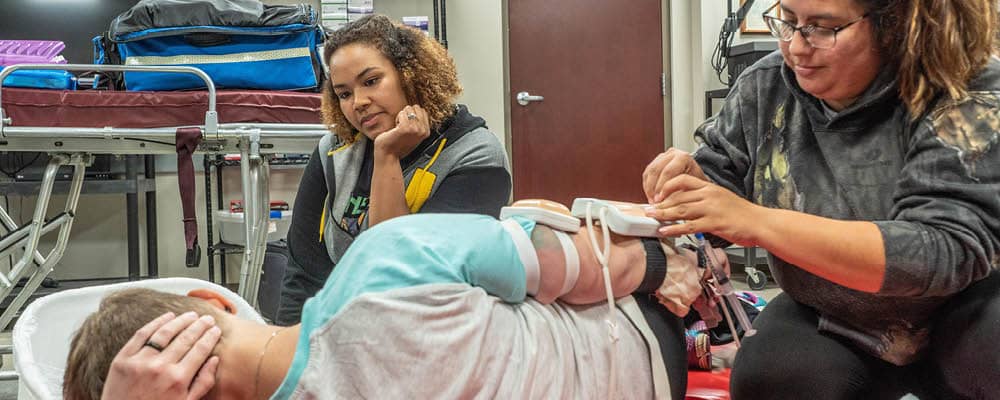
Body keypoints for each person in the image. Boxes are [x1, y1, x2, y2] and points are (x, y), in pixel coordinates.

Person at [642, 0, 1000, 398]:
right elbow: (724, 184)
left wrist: (757, 221)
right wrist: (695, 186)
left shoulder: (967, 89)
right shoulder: (766, 87)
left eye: (822, 27)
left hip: (963, 307)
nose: (796, 46)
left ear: (892, 25)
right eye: (788, 21)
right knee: (770, 377)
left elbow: (939, 253)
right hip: (830, 310)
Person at [65, 210, 723, 399]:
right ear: (216, 300)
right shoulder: (390, 258)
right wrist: (666, 265)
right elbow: (580, 264)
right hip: (639, 341)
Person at [276, 14, 511, 325]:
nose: (358, 102)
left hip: (432, 334)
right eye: (344, 93)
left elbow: (398, 279)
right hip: (338, 332)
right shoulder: (333, 151)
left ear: (410, 75)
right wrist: (290, 356)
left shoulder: (475, 156)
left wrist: (386, 156)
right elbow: (302, 275)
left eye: (371, 81)